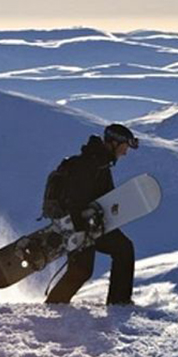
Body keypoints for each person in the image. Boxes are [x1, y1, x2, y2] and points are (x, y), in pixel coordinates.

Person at [45, 123, 139, 306]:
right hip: (77, 226)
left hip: (91, 226)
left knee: (123, 249)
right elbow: (75, 201)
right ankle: (54, 304)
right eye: (124, 147)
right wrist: (80, 232)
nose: (125, 152)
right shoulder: (88, 165)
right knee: (81, 271)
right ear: (113, 143)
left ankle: (119, 302)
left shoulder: (101, 165)